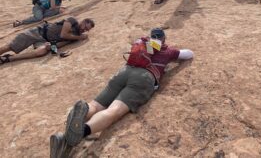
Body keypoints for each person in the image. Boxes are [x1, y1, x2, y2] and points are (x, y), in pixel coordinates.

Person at [49, 28, 194, 157]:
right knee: (114, 110)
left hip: (124, 71)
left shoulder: (141, 43)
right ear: (163, 39)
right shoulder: (167, 50)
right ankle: (82, 132)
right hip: (144, 78)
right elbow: (189, 53)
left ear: (150, 36)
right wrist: (170, 52)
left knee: (96, 105)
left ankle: (79, 117)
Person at [0, 17, 94, 65]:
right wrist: (80, 37)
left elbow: (62, 43)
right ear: (82, 22)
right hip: (39, 32)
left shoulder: (75, 36)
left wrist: (52, 47)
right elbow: (63, 35)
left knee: (42, 51)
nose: (84, 30)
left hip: (46, 40)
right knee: (11, 46)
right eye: (85, 27)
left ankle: (7, 58)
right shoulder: (72, 20)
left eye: (87, 30)